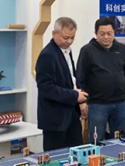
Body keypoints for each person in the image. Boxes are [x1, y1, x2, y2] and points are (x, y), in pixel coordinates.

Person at [77, 17, 125, 139]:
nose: (106, 37)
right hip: (97, 104)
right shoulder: (87, 50)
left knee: (120, 139)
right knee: (97, 140)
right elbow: (80, 77)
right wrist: (82, 102)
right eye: (102, 34)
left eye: (109, 33)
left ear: (114, 33)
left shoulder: (121, 48)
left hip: (119, 103)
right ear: (95, 33)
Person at [36, 17, 87, 151]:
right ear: (54, 34)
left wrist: (80, 100)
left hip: (71, 113)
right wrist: (74, 96)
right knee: (55, 157)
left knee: (76, 154)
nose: (69, 41)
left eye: (72, 38)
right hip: (55, 118)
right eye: (65, 38)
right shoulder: (47, 55)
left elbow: (72, 79)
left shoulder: (67, 50)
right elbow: (46, 88)